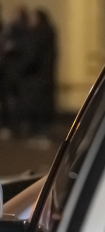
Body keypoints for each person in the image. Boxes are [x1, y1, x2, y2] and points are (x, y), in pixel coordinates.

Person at [21, 9, 56, 145]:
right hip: (43, 76)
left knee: (39, 105)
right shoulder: (47, 32)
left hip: (38, 77)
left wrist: (22, 67)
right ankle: (40, 132)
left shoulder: (41, 34)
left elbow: (33, 56)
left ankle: (41, 133)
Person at [0, 6, 29, 139]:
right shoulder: (8, 29)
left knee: (13, 101)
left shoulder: (21, 31)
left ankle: (13, 127)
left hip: (14, 73)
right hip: (8, 72)